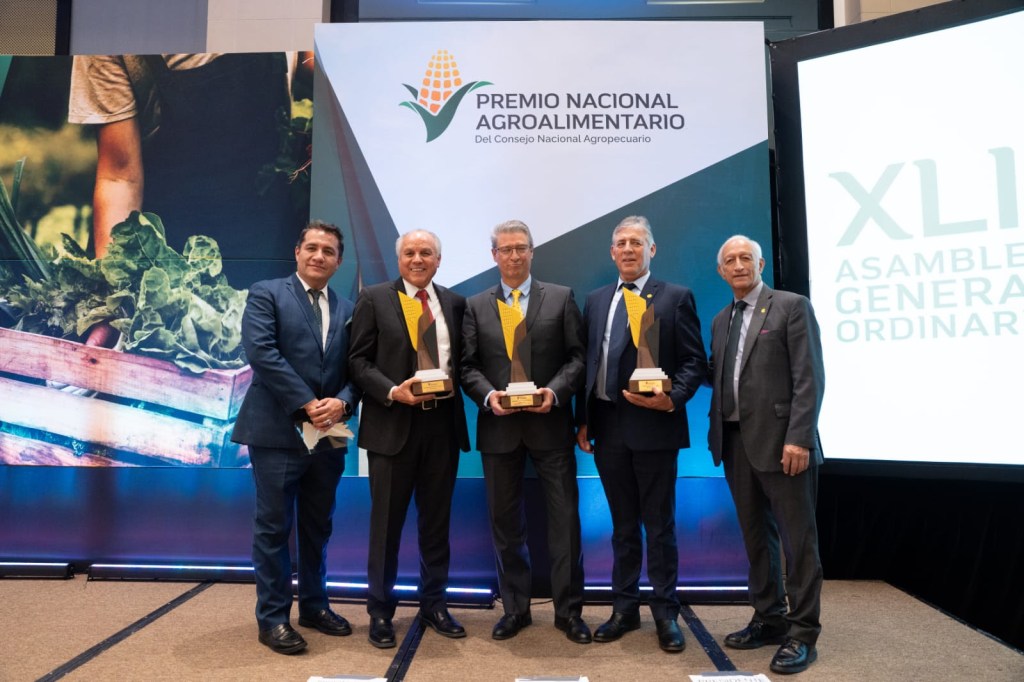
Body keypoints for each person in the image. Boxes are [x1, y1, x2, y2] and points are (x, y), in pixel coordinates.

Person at [68, 52, 311, 291]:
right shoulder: (111, 35)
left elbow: (312, 60)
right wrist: (115, 291)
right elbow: (120, 178)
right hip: (171, 271)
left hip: (272, 240)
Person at [576, 215, 707, 653]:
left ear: (652, 250)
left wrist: (673, 399)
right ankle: (624, 609)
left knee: (660, 525)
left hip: (655, 427)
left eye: (637, 242)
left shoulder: (675, 297)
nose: (628, 249)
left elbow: (694, 362)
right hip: (608, 428)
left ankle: (666, 613)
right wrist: (583, 420)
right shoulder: (596, 300)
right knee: (622, 526)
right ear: (612, 252)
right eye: (621, 243)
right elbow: (590, 365)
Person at [230, 220, 360, 655]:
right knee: (273, 527)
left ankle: (315, 606)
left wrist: (343, 402)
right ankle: (273, 618)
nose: (319, 256)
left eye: (328, 251)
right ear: (298, 252)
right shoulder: (267, 293)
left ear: (339, 262)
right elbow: (262, 352)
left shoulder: (348, 308)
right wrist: (307, 403)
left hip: (330, 429)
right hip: (276, 429)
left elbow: (358, 367)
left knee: (318, 524)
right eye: (312, 248)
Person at [461, 220, 591, 644]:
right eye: (506, 249)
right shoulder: (475, 305)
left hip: (550, 426)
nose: (514, 256)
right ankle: (515, 610)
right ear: (494, 255)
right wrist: (487, 396)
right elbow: (467, 365)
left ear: (532, 252)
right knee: (504, 523)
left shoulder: (561, 297)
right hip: (499, 429)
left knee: (565, 521)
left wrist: (554, 393)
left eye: (521, 248)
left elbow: (577, 358)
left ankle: (569, 612)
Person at [708, 234, 825, 675]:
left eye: (746, 258)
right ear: (721, 271)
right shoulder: (721, 319)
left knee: (799, 542)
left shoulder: (791, 307)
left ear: (760, 265)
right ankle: (769, 617)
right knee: (757, 538)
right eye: (730, 260)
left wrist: (800, 438)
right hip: (735, 443)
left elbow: (809, 377)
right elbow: (719, 376)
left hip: (783, 445)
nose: (738, 265)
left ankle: (802, 633)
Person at [348, 229, 470, 648]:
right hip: (392, 427)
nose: (418, 259)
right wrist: (391, 391)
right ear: (399, 259)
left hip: (442, 428)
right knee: (386, 527)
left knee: (436, 524)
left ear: (439, 260)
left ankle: (434, 604)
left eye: (426, 253)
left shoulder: (455, 303)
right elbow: (357, 361)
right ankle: (381, 612)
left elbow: (464, 363)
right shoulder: (374, 299)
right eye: (410, 253)